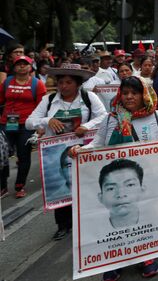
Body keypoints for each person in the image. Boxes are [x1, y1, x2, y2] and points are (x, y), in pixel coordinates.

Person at [70, 75, 158, 280]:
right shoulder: (111, 118)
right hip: (115, 176)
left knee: (143, 217)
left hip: (146, 179)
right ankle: (114, 261)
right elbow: (97, 144)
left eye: (134, 93)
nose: (129, 97)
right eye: (126, 93)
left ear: (143, 95)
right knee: (116, 220)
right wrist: (80, 150)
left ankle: (146, 256)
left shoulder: (156, 116)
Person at [26, 63, 106, 240]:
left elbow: (103, 116)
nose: (63, 86)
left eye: (68, 82)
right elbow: (29, 122)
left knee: (86, 186)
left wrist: (87, 125)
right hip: (56, 153)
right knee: (62, 187)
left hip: (84, 149)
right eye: (61, 82)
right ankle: (62, 225)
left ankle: (87, 223)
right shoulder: (48, 100)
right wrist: (48, 120)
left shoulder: (89, 97)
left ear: (77, 84)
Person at [0, 56, 47, 198]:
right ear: (13, 68)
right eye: (18, 64)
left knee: (23, 155)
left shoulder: (37, 84)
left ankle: (19, 185)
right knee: (2, 155)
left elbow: (42, 107)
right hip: (7, 123)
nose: (21, 66)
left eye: (24, 64)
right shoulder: (7, 82)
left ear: (30, 67)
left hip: (27, 125)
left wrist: (40, 126)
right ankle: (3, 186)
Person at [97, 159, 146, 229]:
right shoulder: (89, 233)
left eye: (130, 185)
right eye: (111, 188)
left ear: (142, 190)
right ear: (101, 198)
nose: (120, 194)